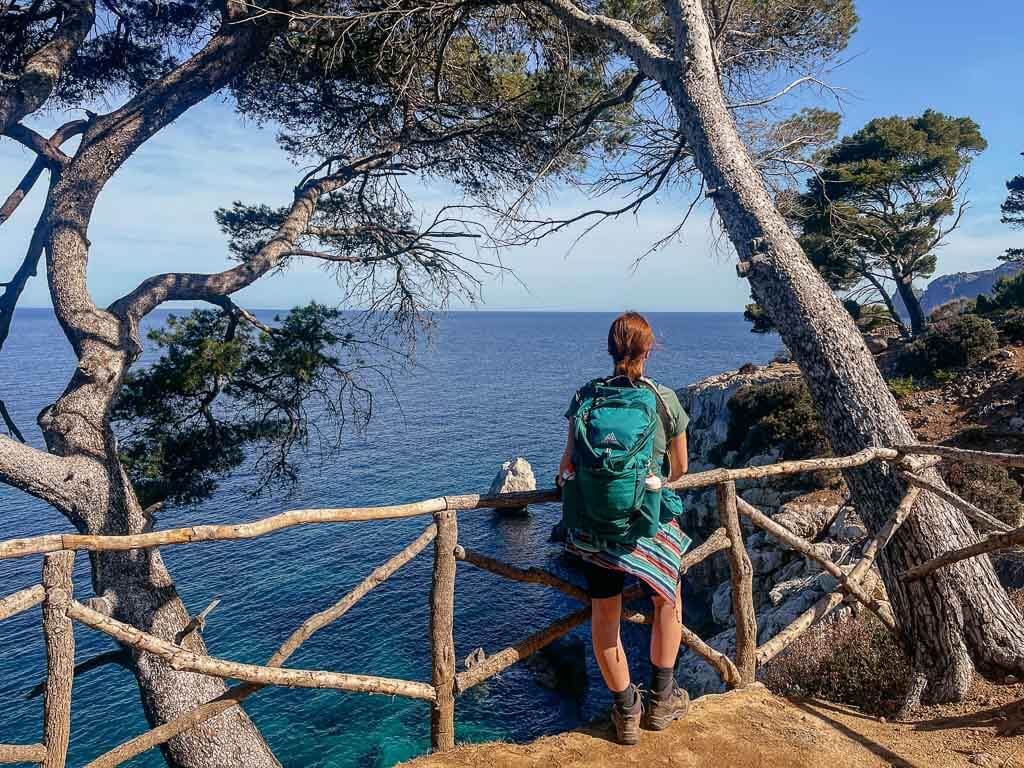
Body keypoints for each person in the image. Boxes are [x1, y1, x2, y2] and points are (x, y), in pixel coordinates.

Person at [558, 311, 692, 745]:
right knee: (668, 602)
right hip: (646, 528)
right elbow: (681, 468)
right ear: (648, 349)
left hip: (596, 530)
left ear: (611, 349)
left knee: (605, 618)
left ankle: (626, 712)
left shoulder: (585, 396)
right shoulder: (663, 398)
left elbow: (567, 465)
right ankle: (661, 700)